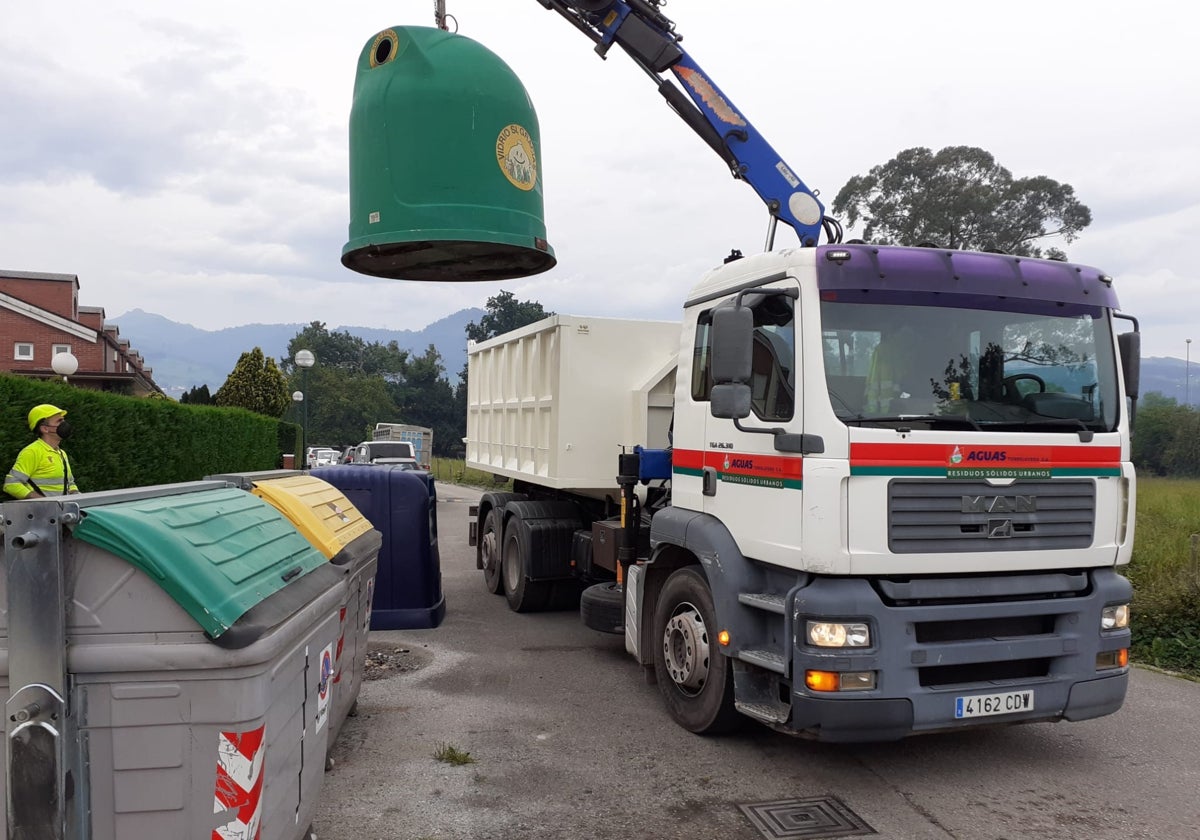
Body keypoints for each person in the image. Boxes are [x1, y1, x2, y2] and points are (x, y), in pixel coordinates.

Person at [4, 404, 79, 499]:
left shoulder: (62, 453)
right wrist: (41, 501)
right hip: (41, 512)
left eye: (63, 420)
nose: (64, 424)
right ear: (45, 429)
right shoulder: (32, 451)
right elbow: (11, 484)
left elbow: (70, 483)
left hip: (60, 512)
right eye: (59, 421)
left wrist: (76, 495)